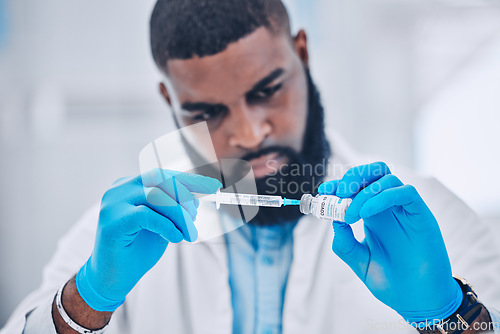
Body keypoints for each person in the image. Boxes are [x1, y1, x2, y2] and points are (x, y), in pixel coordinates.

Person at [2, 0, 500, 333]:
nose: (248, 132)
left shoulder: (427, 217)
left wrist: (448, 313)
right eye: (207, 112)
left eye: (267, 91)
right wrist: (86, 300)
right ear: (169, 101)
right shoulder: (120, 235)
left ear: (301, 53)